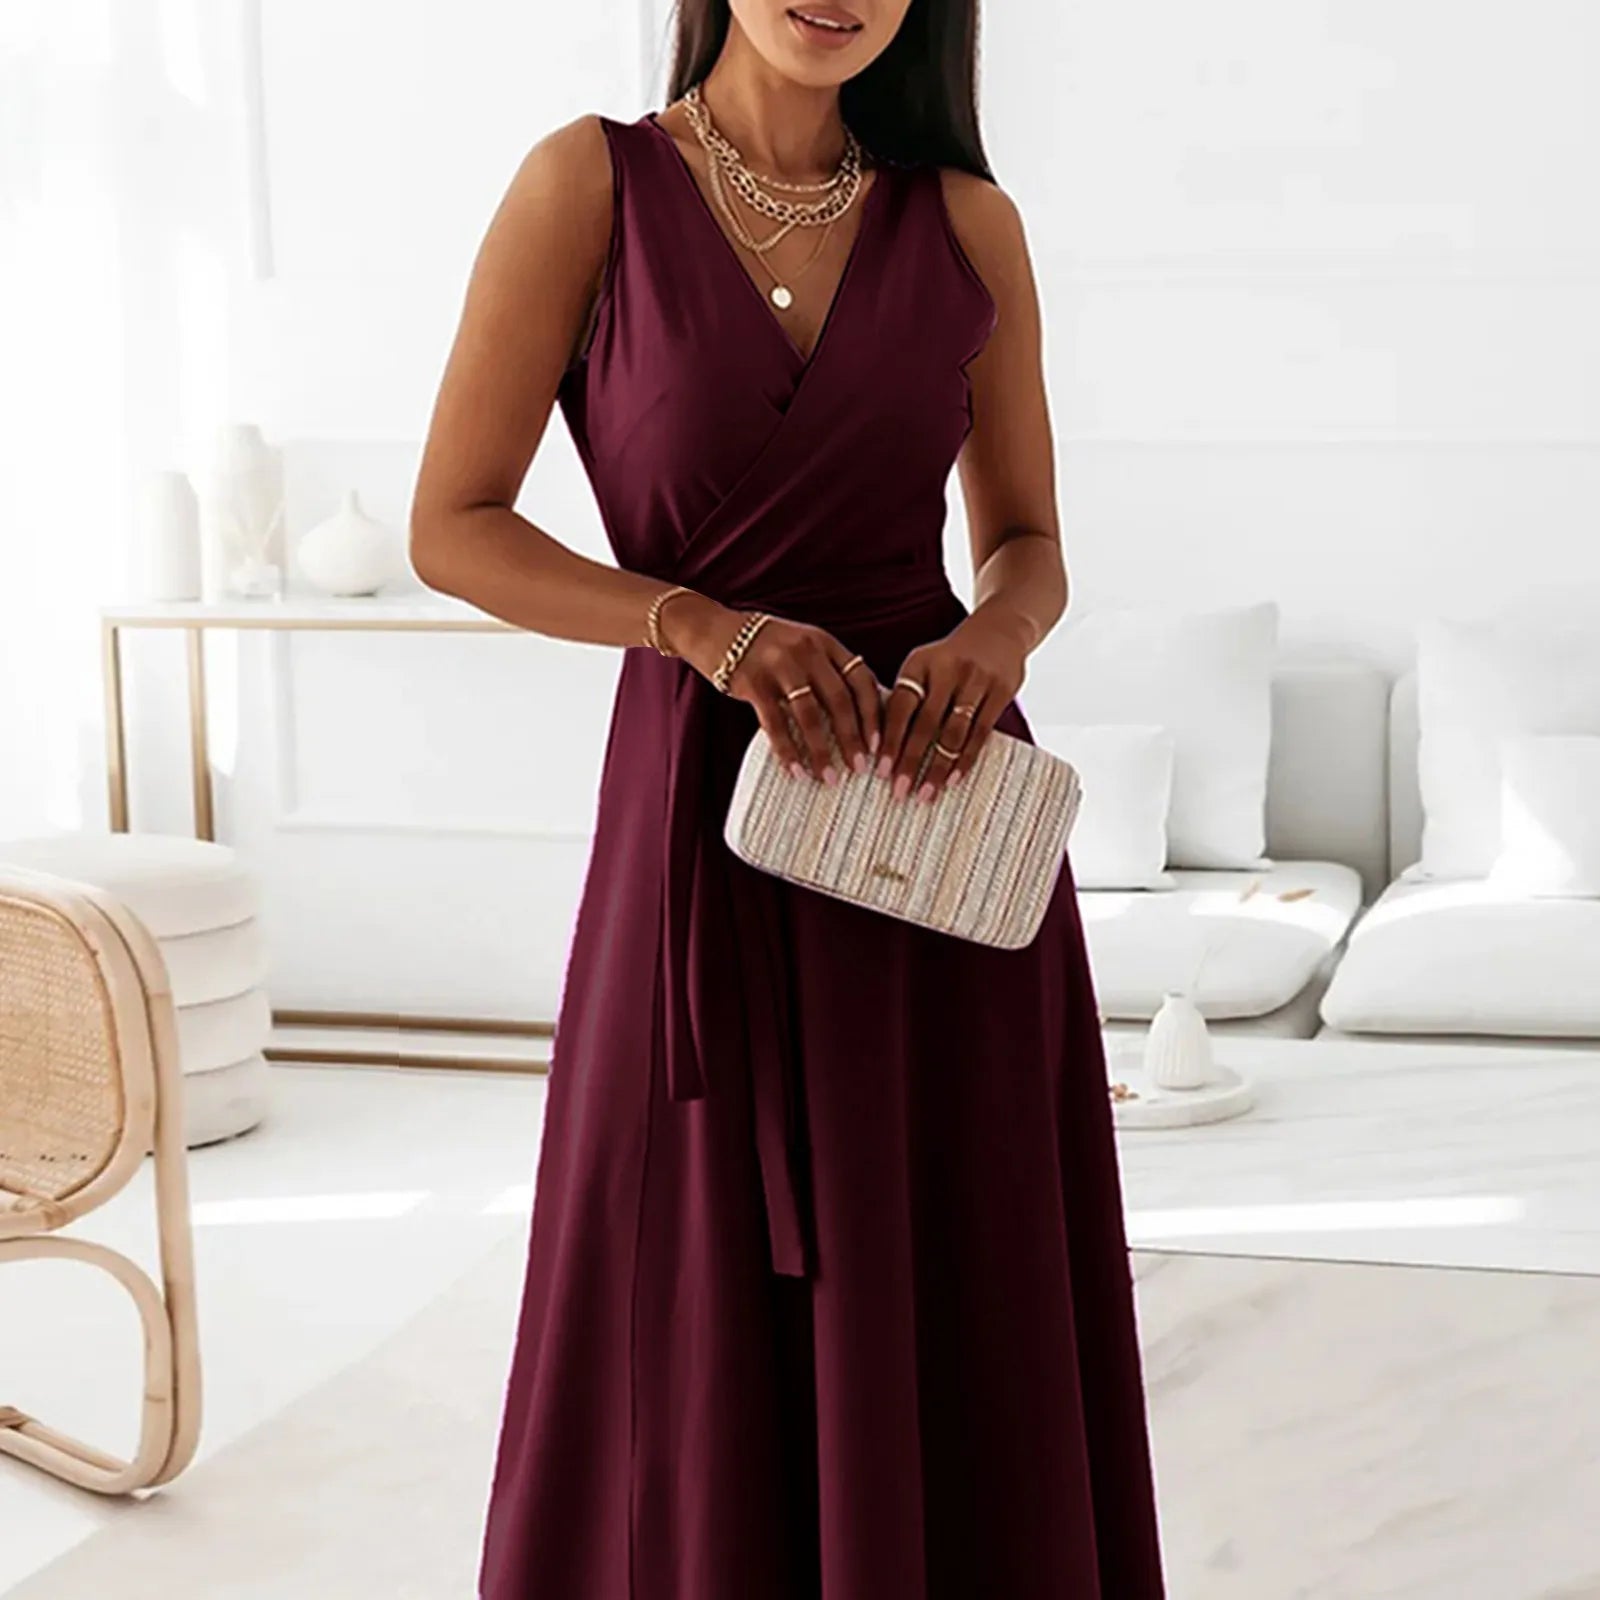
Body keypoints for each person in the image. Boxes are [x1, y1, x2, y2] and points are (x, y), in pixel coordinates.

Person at [409, 2, 1167, 1594]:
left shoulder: (964, 220)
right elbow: (455, 523)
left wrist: (992, 636)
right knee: (677, 1263)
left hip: (927, 809)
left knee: (957, 1268)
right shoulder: (585, 187)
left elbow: (1028, 537)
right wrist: (694, 621)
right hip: (700, 811)